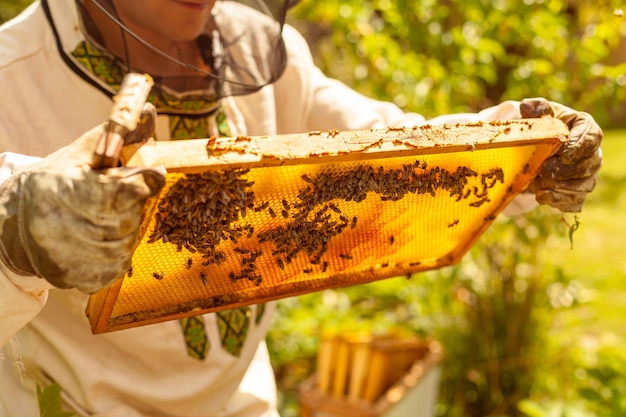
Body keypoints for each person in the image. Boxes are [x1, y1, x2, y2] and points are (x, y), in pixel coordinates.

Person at [0, 0, 602, 416]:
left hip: (243, 403)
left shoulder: (257, 46)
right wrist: (13, 226)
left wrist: (525, 150)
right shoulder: (10, 75)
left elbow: (395, 154)